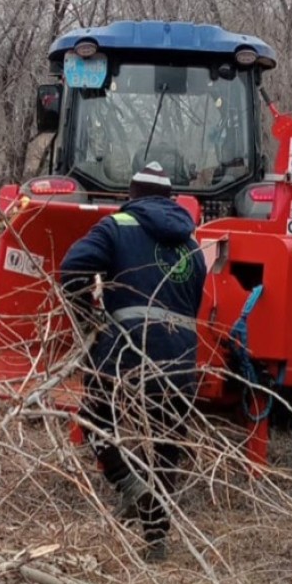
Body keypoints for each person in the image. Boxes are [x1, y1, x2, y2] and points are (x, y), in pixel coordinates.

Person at [59, 161, 207, 562]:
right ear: (170, 198)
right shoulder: (192, 245)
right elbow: (193, 305)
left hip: (125, 353)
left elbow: (72, 270)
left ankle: (127, 483)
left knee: (94, 416)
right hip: (180, 360)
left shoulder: (116, 226)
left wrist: (88, 317)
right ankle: (156, 541)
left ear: (132, 195)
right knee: (166, 447)